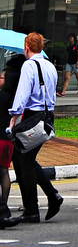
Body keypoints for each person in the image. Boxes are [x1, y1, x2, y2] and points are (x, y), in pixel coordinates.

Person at [6, 33, 61, 224]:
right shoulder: (50, 65)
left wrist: (13, 117)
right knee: (25, 158)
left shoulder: (29, 65)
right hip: (47, 116)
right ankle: (52, 196)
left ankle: (32, 209)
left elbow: (23, 93)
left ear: (27, 47)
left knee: (23, 159)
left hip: (32, 116)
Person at [0, 59, 23, 228]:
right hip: (8, 140)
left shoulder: (0, 95)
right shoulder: (15, 98)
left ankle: (2, 210)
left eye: (1, 77)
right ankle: (4, 205)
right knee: (4, 173)